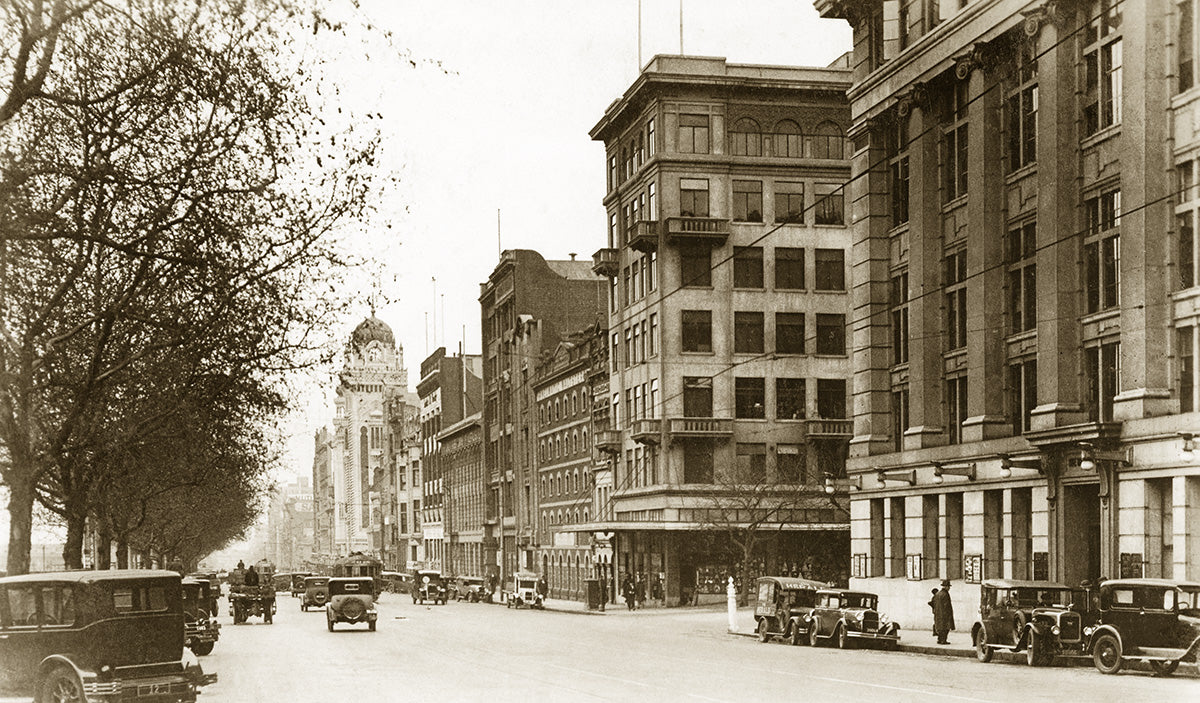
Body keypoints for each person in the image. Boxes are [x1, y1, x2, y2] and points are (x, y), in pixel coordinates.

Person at [932, 579, 955, 644]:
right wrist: (949, 614)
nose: (949, 588)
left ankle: (939, 639)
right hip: (945, 614)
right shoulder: (946, 594)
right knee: (946, 628)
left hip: (938, 613)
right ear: (946, 587)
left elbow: (933, 603)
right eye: (948, 586)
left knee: (940, 627)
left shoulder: (938, 594)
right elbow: (947, 605)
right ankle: (943, 640)